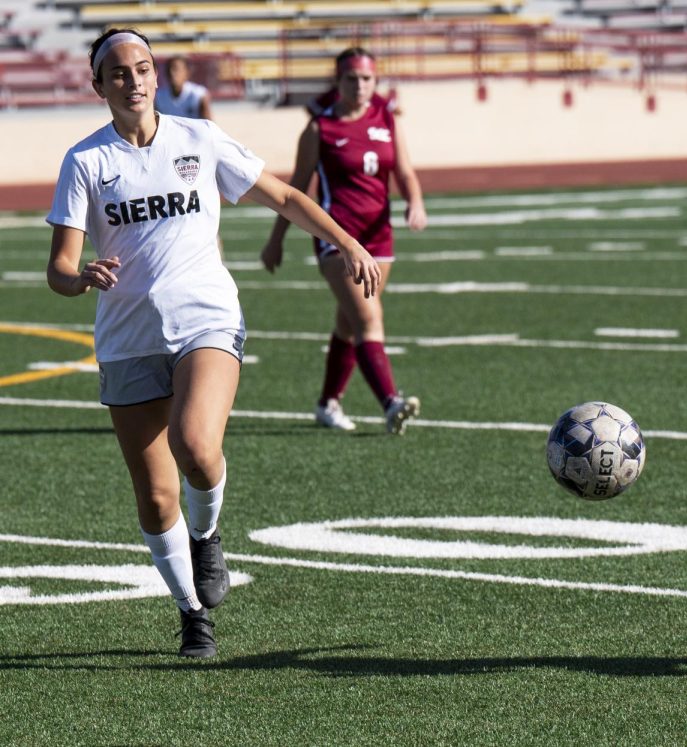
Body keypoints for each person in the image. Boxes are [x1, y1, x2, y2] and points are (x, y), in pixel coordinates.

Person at [46, 28, 381, 658]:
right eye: (118, 73)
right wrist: (81, 275)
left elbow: (281, 194)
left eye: (142, 68)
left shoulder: (197, 139)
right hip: (126, 340)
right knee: (154, 494)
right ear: (99, 87)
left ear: (156, 76)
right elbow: (59, 268)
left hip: (206, 318)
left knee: (196, 446)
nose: (134, 80)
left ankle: (208, 536)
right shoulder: (85, 162)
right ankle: (190, 612)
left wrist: (350, 241)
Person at [261, 47, 426, 434]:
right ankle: (391, 402)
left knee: (349, 323)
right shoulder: (320, 129)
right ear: (338, 82)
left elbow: (404, 171)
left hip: (379, 236)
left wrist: (415, 202)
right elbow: (296, 188)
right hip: (337, 239)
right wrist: (277, 238)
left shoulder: (387, 118)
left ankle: (327, 403)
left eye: (367, 78)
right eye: (351, 78)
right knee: (368, 317)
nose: (360, 85)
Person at [156, 56, 213, 120]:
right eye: (169, 69)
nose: (172, 73)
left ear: (186, 73)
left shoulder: (199, 95)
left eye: (176, 69)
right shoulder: (159, 97)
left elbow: (209, 125)